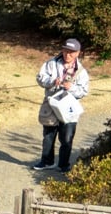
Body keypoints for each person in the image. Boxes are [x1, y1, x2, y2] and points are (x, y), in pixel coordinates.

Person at [37, 38, 90, 171]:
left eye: (71, 52)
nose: (68, 54)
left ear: (78, 53)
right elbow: (40, 78)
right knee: (48, 136)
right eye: (66, 51)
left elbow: (83, 91)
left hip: (69, 108)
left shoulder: (81, 71)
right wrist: (52, 81)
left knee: (66, 138)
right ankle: (47, 162)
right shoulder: (51, 63)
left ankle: (63, 165)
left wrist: (71, 87)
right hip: (51, 105)